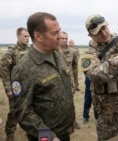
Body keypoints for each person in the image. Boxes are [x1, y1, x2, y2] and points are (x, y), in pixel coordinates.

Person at [10, 12, 75, 141]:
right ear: (38, 36)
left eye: (60, 31)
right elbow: (23, 112)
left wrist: (69, 122)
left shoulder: (57, 56)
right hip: (45, 136)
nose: (60, 36)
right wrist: (49, 136)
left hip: (63, 131)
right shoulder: (24, 68)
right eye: (55, 33)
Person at [0, 27, 30, 141]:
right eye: (25, 36)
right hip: (16, 87)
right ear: (18, 36)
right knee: (14, 111)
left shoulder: (31, 50)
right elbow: (3, 69)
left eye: (28, 36)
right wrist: (8, 88)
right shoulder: (11, 51)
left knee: (29, 110)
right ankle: (10, 133)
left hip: (29, 87)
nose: (27, 39)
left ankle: (30, 132)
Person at [58, 32, 80, 129]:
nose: (64, 40)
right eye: (62, 38)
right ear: (57, 38)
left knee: (70, 102)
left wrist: (76, 81)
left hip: (69, 81)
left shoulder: (72, 51)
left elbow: (75, 66)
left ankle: (72, 121)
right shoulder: (52, 51)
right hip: (56, 81)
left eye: (65, 38)